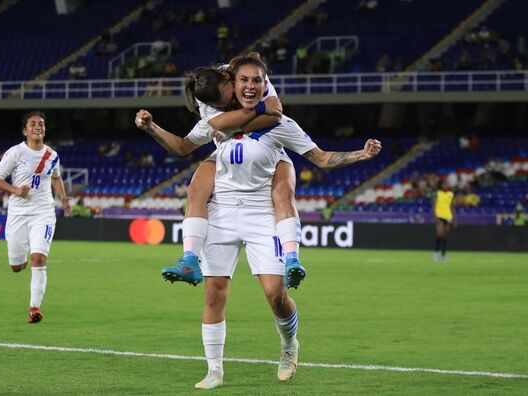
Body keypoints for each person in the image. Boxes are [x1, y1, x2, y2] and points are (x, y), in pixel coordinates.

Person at [135, 54, 381, 389]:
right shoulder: (212, 114)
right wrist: (151, 127)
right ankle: (214, 370)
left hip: (261, 212)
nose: (251, 86)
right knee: (213, 293)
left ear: (264, 83)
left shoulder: (278, 122)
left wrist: (359, 154)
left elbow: (321, 157)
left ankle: (289, 345)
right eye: (244, 81)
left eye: (257, 81)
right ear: (232, 82)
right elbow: (181, 145)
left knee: (275, 294)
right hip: (222, 210)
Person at [159, 55, 308, 290]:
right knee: (196, 188)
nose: (227, 106)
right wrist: (252, 111)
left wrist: (234, 124)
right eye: (222, 107)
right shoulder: (207, 101)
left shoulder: (256, 79)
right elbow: (212, 128)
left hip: (266, 151)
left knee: (283, 192)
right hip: (230, 154)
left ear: (230, 78)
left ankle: (292, 257)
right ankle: (189, 258)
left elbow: (275, 113)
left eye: (229, 100)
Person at [0, 111, 71, 324]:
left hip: (43, 212)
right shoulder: (15, 153)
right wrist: (16, 189)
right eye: (33, 124)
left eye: (41, 124)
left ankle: (34, 308)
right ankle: (21, 258)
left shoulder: (52, 155)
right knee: (17, 267)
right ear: (25, 130)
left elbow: (56, 177)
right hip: (18, 213)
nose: (38, 127)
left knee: (39, 257)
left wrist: (64, 199)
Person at [432, 180, 455, 262]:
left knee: (445, 236)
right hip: (440, 216)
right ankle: (435, 252)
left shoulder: (451, 194)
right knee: (440, 234)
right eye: (444, 184)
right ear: (441, 185)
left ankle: (444, 255)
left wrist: (454, 218)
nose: (446, 185)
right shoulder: (437, 193)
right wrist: (435, 216)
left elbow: (452, 207)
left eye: (447, 184)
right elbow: (434, 205)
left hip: (448, 216)